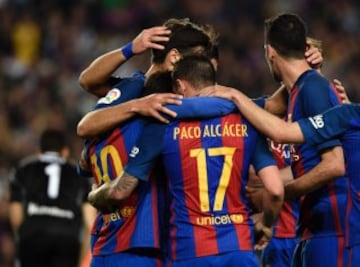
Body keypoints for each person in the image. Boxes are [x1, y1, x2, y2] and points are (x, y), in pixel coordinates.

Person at [88, 55, 284, 267]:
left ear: (179, 86)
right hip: (239, 248)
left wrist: (94, 195)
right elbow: (275, 189)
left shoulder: (163, 123)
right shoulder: (246, 119)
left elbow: (121, 189)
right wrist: (266, 224)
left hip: (188, 250)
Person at [77, 19, 239, 267]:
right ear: (174, 58)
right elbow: (85, 119)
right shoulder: (140, 94)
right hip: (143, 241)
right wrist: (133, 47)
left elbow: (86, 155)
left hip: (108, 241)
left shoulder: (119, 114)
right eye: (196, 60)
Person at [202, 12, 351, 267]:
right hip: (312, 228)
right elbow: (270, 110)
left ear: (269, 52)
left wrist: (278, 194)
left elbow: (334, 164)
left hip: (333, 229)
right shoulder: (298, 92)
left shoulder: (312, 88)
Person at [8, 129, 93, 267]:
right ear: (65, 152)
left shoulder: (23, 169)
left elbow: (15, 213)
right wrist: (81, 261)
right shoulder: (79, 174)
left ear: (39, 152)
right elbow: (90, 222)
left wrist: (24, 236)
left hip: (33, 235)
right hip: (67, 238)